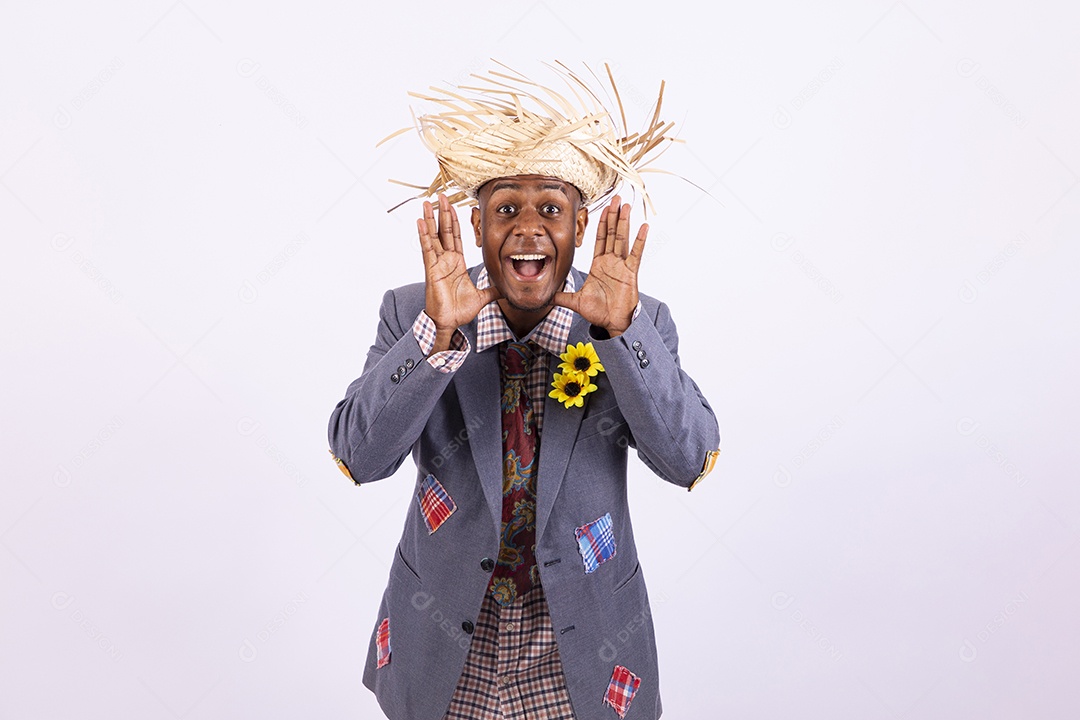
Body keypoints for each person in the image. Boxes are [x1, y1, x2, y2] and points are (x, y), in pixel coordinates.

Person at [327, 63, 721, 720]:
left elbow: (690, 460)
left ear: (578, 228)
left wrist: (618, 334)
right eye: (507, 207)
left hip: (581, 658)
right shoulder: (414, 313)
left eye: (551, 209)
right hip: (448, 655)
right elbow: (358, 457)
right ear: (478, 224)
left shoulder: (632, 320)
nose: (529, 227)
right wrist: (435, 336)